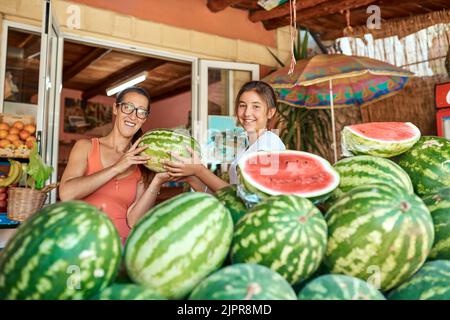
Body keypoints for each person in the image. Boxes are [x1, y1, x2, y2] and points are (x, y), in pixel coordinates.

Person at [59, 86, 172, 243]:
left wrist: (157, 180)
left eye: (141, 111)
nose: (133, 116)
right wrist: (117, 167)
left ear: (145, 118)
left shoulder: (143, 161)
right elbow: (67, 194)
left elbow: (134, 221)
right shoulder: (86, 146)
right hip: (82, 242)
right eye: (128, 107)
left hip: (121, 246)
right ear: (115, 109)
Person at [164, 80, 286, 192]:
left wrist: (199, 170)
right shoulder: (247, 146)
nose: (247, 113)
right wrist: (191, 178)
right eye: (242, 105)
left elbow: (245, 198)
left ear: (270, 112)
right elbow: (228, 198)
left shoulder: (269, 143)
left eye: (256, 106)